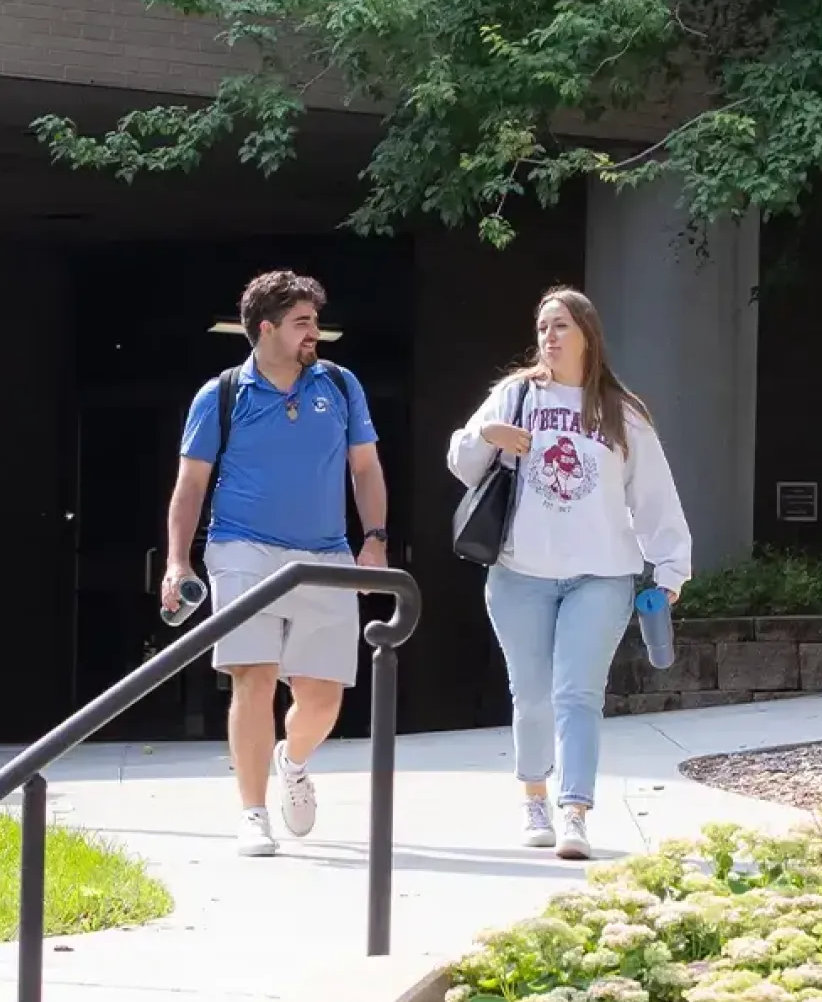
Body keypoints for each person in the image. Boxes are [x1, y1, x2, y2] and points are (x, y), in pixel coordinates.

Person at [447, 287, 691, 861]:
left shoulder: (621, 410)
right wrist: (487, 436)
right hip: (519, 572)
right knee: (531, 695)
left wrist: (671, 568)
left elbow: (654, 495)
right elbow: (461, 462)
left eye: (560, 326)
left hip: (601, 576)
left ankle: (574, 810)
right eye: (541, 327)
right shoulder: (514, 395)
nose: (548, 337)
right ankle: (535, 796)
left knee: (578, 694)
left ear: (587, 334)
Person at [162, 269, 388, 857]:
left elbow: (364, 469)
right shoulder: (222, 394)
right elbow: (190, 485)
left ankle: (292, 759)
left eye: (314, 319)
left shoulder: (340, 386)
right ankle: (253, 811)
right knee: (253, 677)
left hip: (325, 555)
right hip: (242, 548)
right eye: (303, 322)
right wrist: (177, 563)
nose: (315, 331)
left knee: (321, 698)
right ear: (267, 328)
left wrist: (376, 539)